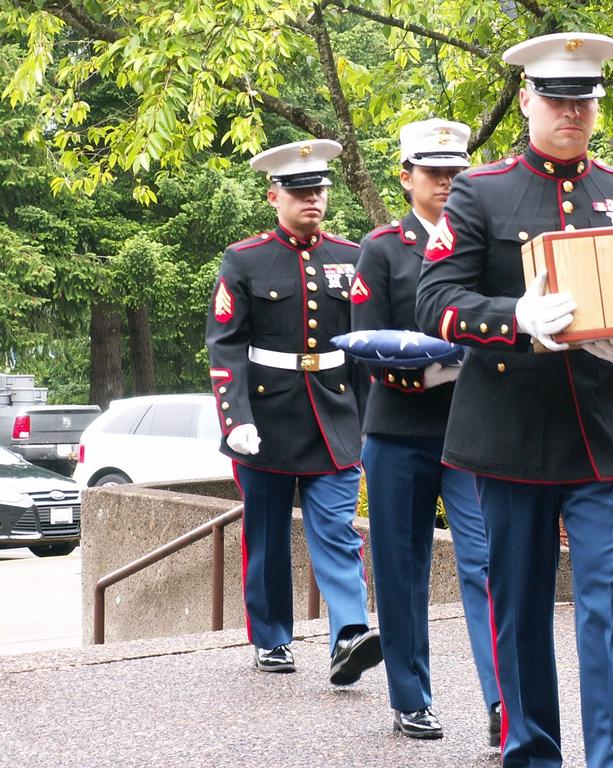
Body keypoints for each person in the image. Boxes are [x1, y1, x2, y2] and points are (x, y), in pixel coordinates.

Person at [415, 33, 613, 768]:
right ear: (529, 101)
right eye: (558, 99)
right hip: (509, 433)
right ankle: (531, 753)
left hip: (603, 430)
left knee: (606, 602)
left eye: (586, 99)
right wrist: (513, 318)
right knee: (519, 608)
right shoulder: (481, 190)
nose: (573, 112)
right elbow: (435, 299)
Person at [205, 138, 384, 683]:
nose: (313, 200)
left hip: (333, 416)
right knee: (265, 532)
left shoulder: (351, 256)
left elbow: (364, 345)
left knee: (336, 528)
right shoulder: (245, 259)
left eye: (319, 191)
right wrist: (235, 420)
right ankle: (272, 637)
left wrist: (373, 419)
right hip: (266, 417)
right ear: (273, 196)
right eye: (301, 191)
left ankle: (349, 635)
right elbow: (226, 345)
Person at [350, 119, 501, 743]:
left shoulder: (485, 244)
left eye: (455, 171)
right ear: (406, 176)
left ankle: (503, 700)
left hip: (469, 432)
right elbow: (366, 344)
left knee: (487, 563)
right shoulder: (383, 249)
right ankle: (410, 696)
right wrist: (442, 368)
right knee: (402, 567)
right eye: (434, 172)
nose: (446, 182)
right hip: (398, 429)